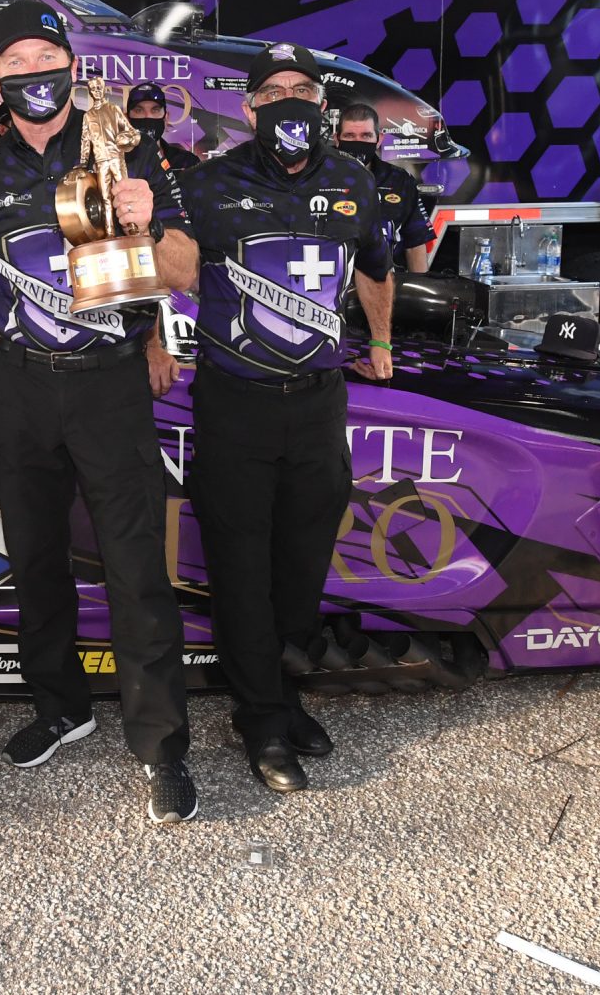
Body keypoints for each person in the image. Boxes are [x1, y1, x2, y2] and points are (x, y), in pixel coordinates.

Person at [0, 0, 202, 825]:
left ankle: (160, 745)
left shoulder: (123, 150)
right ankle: (62, 706)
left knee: (134, 568)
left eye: (44, 59)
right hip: (21, 387)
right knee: (36, 559)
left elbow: (185, 269)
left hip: (107, 384)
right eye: (13, 63)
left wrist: (147, 218)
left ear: (69, 66)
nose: (32, 75)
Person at [178, 41, 394, 794]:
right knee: (242, 567)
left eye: (302, 89)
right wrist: (142, 225)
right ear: (248, 109)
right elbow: (172, 264)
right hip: (235, 402)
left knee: (302, 563)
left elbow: (375, 265)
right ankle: (263, 717)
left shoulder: (352, 181)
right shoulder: (205, 184)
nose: (288, 102)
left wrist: (385, 341)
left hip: (317, 403)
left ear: (322, 104)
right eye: (272, 93)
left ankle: (281, 687)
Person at [333, 102, 430, 274]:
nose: (358, 143)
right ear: (336, 139)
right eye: (349, 136)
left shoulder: (400, 181)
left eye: (366, 136)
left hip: (385, 286)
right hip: (329, 289)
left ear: (379, 139)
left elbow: (415, 244)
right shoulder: (318, 177)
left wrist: (417, 295)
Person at [126, 81, 199, 172]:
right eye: (139, 110)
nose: (148, 116)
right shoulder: (115, 161)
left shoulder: (187, 161)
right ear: (127, 119)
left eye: (155, 110)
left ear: (166, 118)